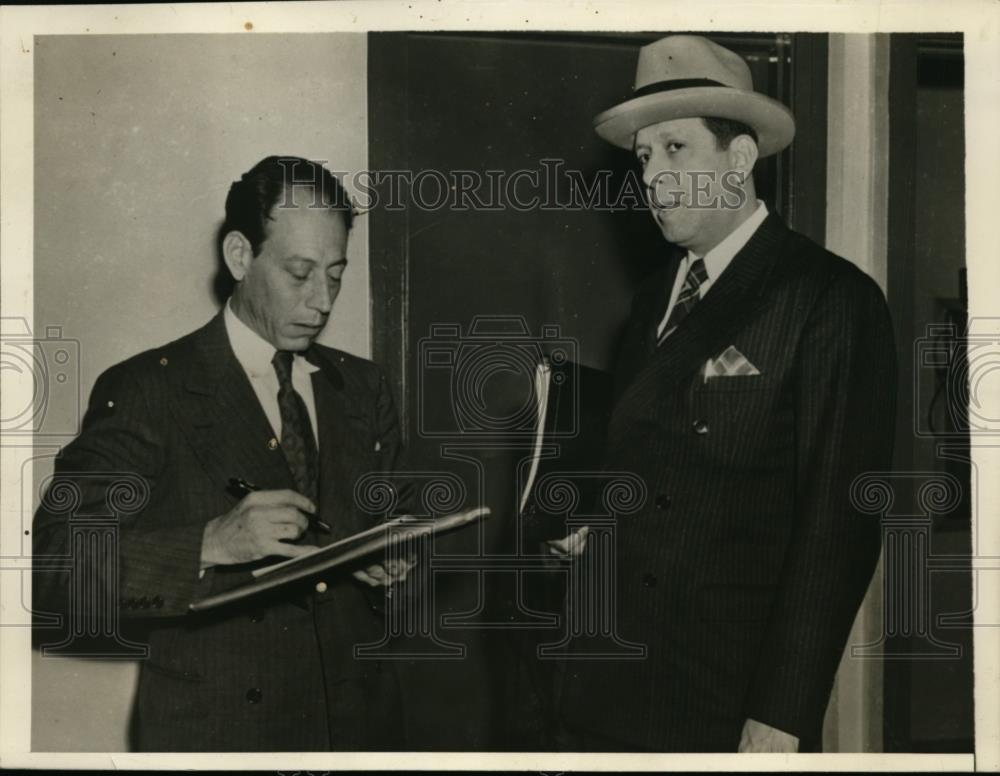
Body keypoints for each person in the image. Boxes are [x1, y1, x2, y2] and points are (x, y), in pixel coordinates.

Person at [553, 35, 897, 752]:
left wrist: (781, 714)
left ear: (739, 160)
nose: (652, 176)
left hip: (726, 698)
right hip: (613, 680)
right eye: (645, 157)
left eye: (676, 150)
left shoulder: (828, 298)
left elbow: (838, 531)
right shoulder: (650, 303)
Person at [32, 156, 416, 751]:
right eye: (299, 272)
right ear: (240, 256)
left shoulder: (364, 388)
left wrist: (391, 562)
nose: (322, 301)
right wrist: (211, 542)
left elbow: (394, 525)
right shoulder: (148, 389)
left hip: (360, 729)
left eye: (335, 275)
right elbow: (55, 568)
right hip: (220, 735)